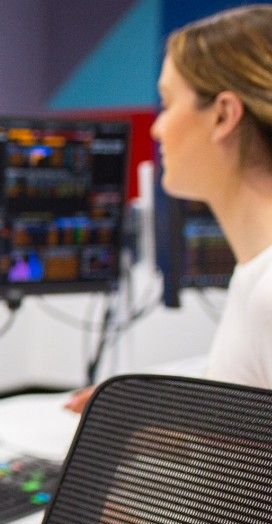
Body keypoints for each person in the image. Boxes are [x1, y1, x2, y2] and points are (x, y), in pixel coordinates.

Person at [67, 4, 272, 412]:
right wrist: (149, 412)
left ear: (223, 115)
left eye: (167, 103)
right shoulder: (254, 274)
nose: (157, 128)